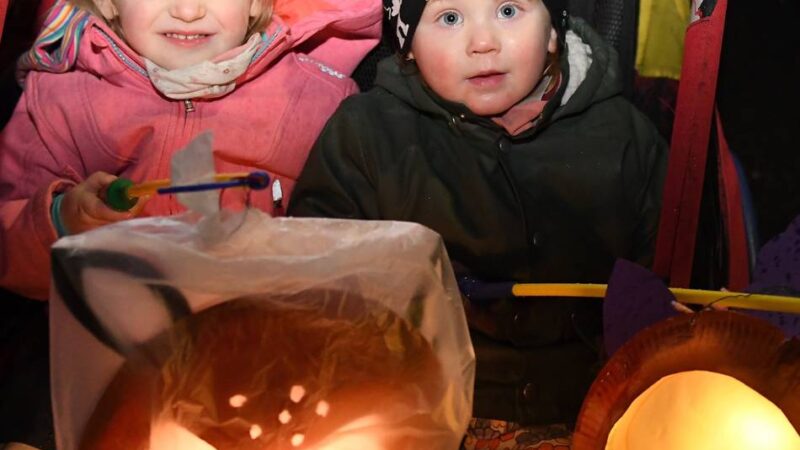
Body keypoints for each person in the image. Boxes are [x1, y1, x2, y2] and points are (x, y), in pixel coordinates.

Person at [288, 0, 668, 447]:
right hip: (420, 414)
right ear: (408, 46)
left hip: (596, 407)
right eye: (450, 18)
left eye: (508, 11)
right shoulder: (365, 139)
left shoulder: (625, 137)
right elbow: (315, 291)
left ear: (552, 31)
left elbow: (665, 292)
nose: (483, 43)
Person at [0, 0, 382, 300]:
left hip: (268, 337)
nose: (187, 11)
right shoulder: (58, 101)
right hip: (116, 344)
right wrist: (62, 220)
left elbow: (361, 247)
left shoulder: (319, 100)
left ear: (254, 2)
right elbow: (9, 243)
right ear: (108, 2)